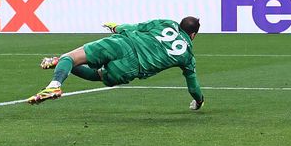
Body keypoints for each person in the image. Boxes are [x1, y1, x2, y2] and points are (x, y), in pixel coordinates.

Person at [28, 17, 206, 110]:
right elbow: (193, 86)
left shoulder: (167, 23)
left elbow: (136, 27)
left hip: (124, 43)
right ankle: (61, 66)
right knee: (97, 76)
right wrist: (199, 101)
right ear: (193, 36)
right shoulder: (187, 56)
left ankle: (55, 83)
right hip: (132, 68)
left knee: (71, 57)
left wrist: (117, 28)